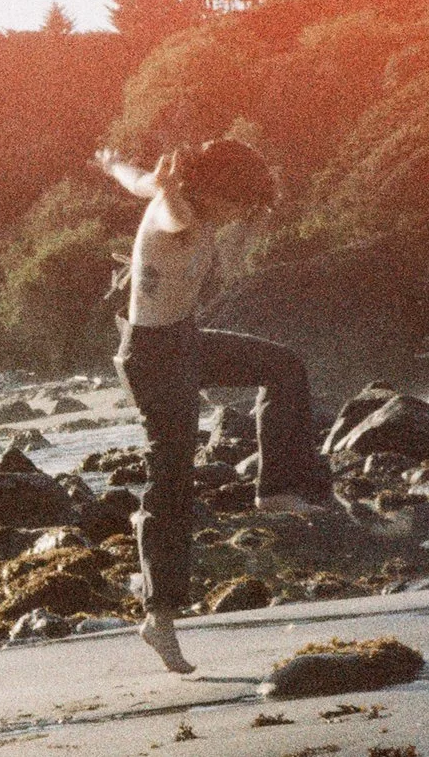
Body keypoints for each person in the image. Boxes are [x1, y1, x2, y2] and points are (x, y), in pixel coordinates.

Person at [95, 139, 332, 673]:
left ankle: (275, 488)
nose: (238, 216)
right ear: (214, 191)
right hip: (155, 358)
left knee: (284, 366)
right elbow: (174, 213)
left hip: (185, 342)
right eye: (237, 203)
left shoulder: (164, 194)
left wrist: (112, 163)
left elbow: (136, 179)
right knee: (171, 482)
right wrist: (175, 190)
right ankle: (159, 617)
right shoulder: (175, 210)